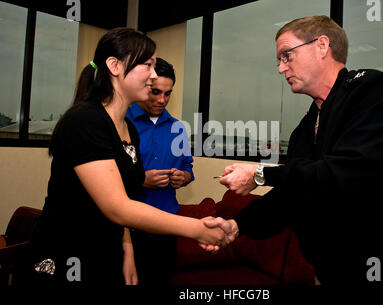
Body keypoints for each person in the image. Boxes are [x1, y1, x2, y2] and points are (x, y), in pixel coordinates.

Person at [205, 16, 383, 285]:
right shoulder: (305, 128)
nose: (281, 68)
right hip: (329, 273)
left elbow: (350, 173)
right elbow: (292, 196)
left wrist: (261, 174)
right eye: (279, 60)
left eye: (287, 55)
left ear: (322, 45)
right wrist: (237, 225)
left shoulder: (375, 91)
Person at [28, 28, 231, 286]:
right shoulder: (86, 120)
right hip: (69, 253)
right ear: (114, 66)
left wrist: (127, 250)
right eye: (148, 65)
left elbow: (122, 197)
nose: (154, 76)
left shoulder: (128, 128)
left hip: (107, 248)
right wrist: (198, 229)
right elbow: (117, 207)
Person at [125, 57, 194, 285]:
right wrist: (140, 180)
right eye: (155, 92)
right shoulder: (122, 122)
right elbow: (105, 175)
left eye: (168, 93)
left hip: (166, 224)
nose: (162, 100)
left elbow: (187, 167)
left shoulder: (177, 128)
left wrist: (184, 177)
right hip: (129, 226)